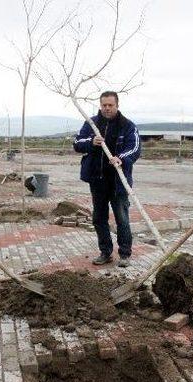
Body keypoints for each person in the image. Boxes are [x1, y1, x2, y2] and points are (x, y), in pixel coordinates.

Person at [74, 91, 141, 268]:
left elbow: (134, 148)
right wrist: (91, 142)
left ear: (117, 105)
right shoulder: (92, 124)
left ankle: (125, 253)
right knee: (99, 218)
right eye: (104, 105)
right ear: (100, 105)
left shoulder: (127, 126)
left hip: (118, 181)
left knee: (122, 218)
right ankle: (105, 252)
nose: (107, 108)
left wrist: (121, 158)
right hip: (98, 179)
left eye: (110, 105)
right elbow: (77, 143)